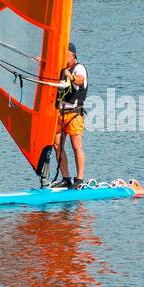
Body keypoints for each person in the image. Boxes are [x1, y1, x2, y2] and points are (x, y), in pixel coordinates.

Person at [53, 41, 87, 188]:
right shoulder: (61, 68)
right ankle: (66, 178)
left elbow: (80, 80)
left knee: (76, 146)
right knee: (57, 145)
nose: (62, 56)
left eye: (65, 54)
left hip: (74, 114)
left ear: (72, 55)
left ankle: (79, 180)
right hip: (60, 114)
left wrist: (71, 77)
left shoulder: (78, 68)